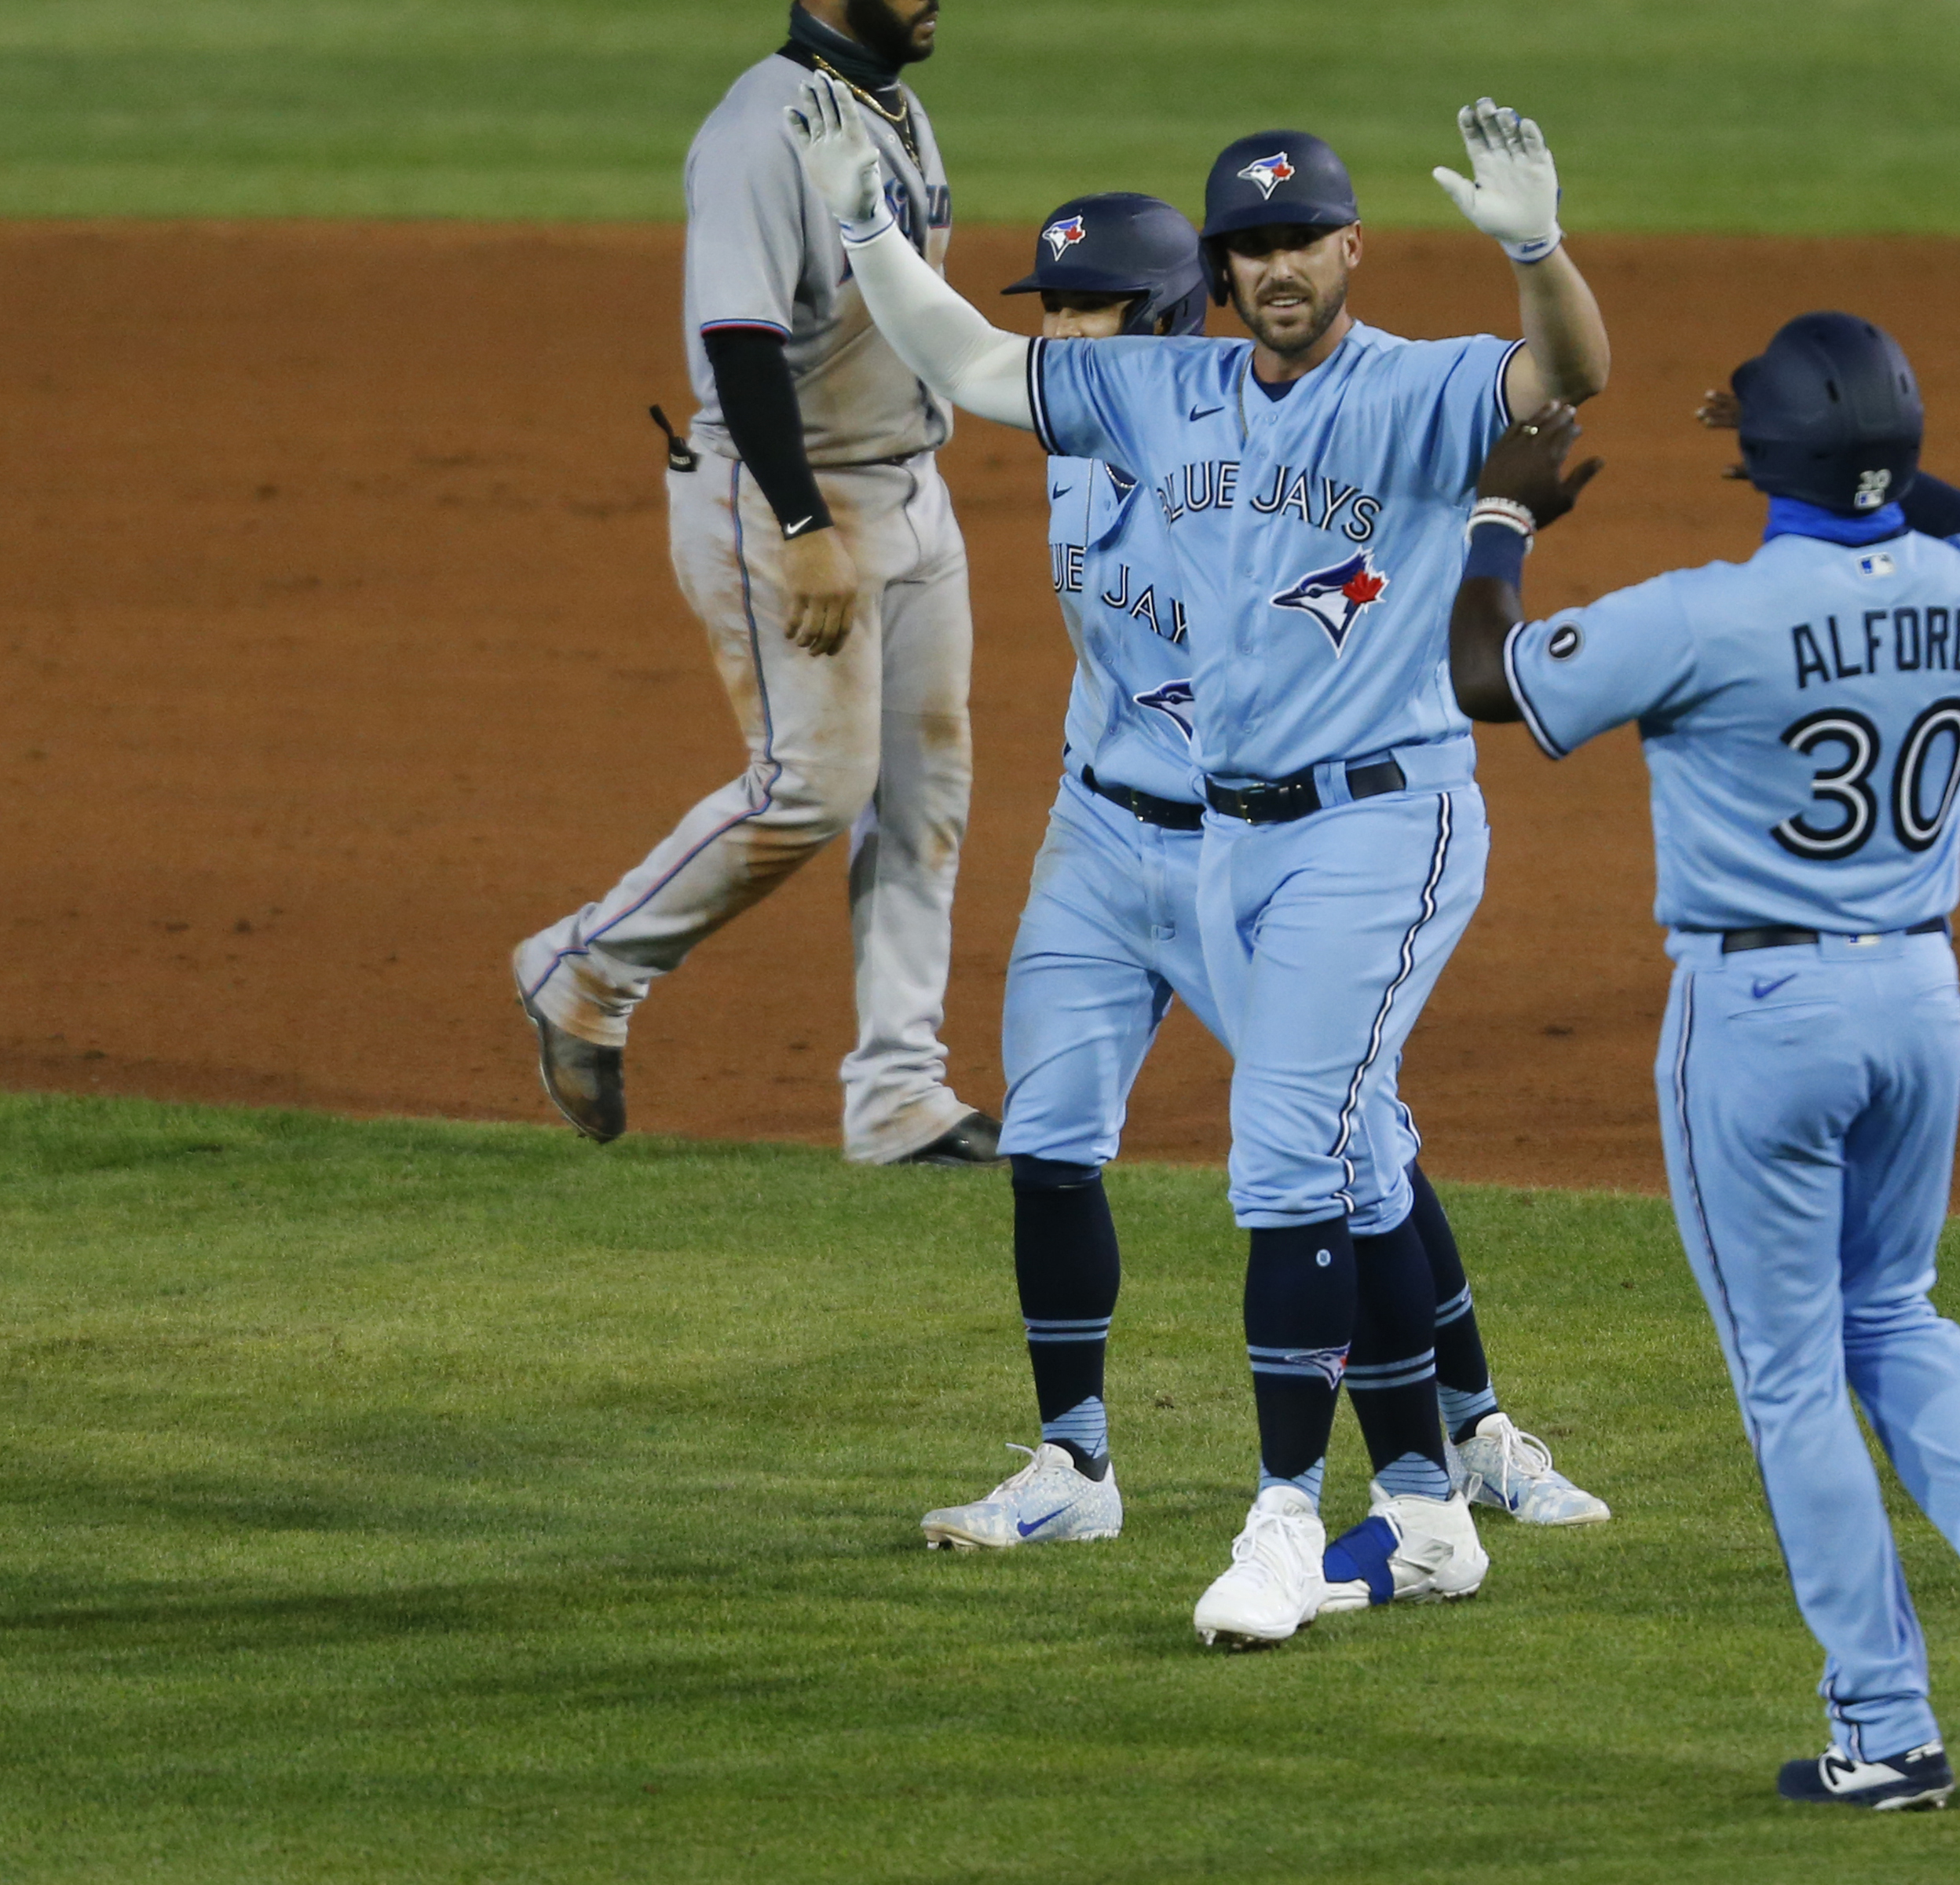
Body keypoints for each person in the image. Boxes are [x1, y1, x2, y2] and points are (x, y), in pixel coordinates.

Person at [781, 85, 1611, 1645]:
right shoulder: (1159, 398)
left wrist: (1538, 251)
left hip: (1375, 819)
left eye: (1302, 239)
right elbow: (967, 361)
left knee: (1306, 1151)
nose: (1279, 267)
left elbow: (1564, 377)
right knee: (1305, 1148)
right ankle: (1419, 1500)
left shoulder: (1417, 389)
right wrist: (861, 225)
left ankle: (1302, 1517)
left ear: (1352, 248)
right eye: (1255, 246)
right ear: (1223, 276)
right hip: (1193, 833)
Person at [1443, 316, 1960, 1805]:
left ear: (1761, 462)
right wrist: (1893, 486)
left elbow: (1485, 675)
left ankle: (1884, 1732)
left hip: (1762, 1018)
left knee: (1792, 1376)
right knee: (1895, 1314)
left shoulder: (1707, 614)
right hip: (1922, 1000)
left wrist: (1503, 509)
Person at [510, 0, 998, 1168]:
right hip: (789, 495)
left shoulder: (894, 99)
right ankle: (586, 966)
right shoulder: (757, 128)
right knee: (815, 788)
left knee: (925, 796)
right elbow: (740, 340)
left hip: (907, 489)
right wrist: (802, 524)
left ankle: (900, 1095)